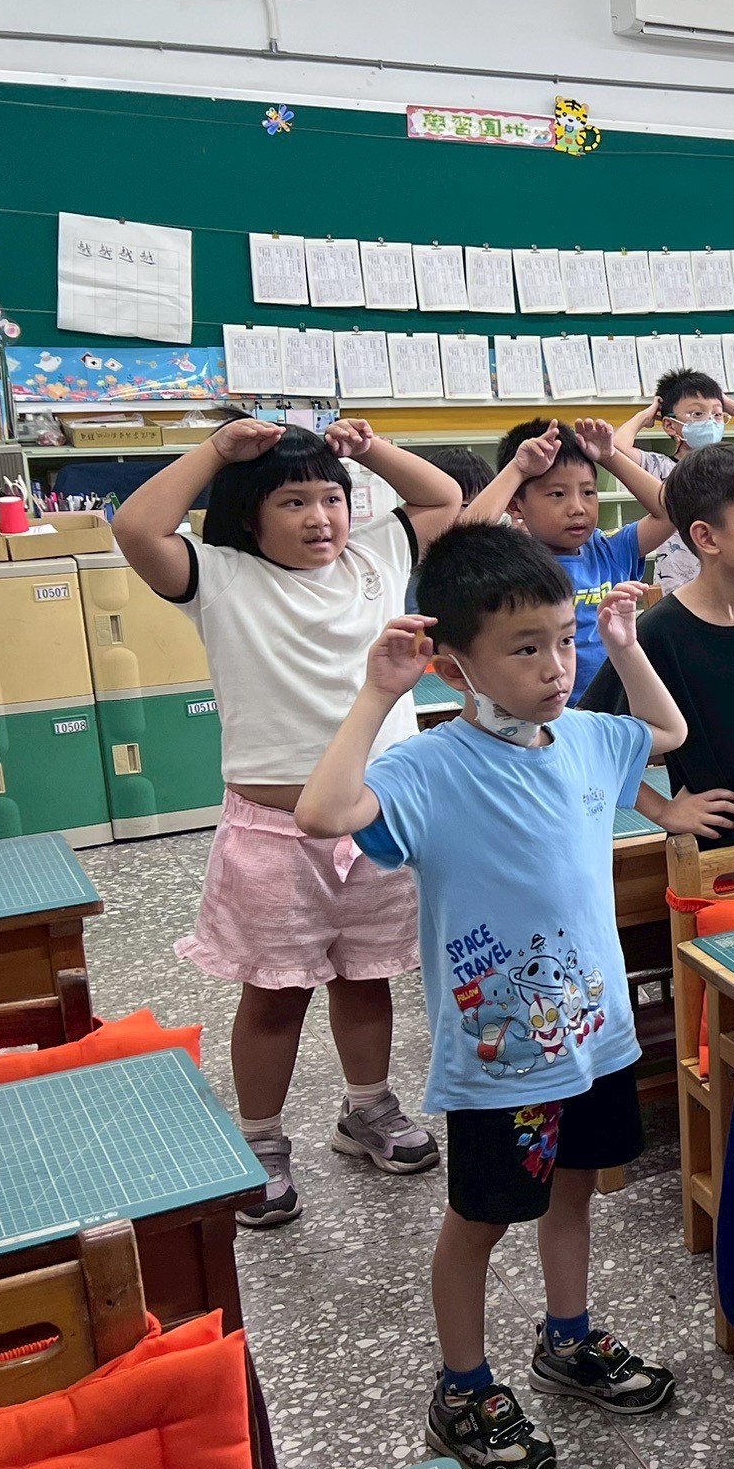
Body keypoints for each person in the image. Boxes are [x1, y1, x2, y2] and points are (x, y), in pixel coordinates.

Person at [294, 523, 689, 1469]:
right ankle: (463, 1386)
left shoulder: (586, 737)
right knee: (479, 1218)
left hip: (595, 1038)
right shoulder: (429, 769)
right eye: (524, 649)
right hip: (501, 1059)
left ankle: (569, 1336)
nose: (556, 666)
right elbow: (322, 813)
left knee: (576, 1189)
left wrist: (624, 648)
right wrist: (378, 693)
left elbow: (668, 733)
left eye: (562, 640)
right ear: (452, 667)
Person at [113, 415, 463, 1228]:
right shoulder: (219, 576)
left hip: (374, 822)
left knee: (366, 976)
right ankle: (261, 1141)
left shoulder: (375, 558)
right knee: (274, 997)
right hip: (273, 836)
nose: (320, 518)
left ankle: (367, 1108)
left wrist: (370, 449)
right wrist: (215, 450)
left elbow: (442, 497)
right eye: (293, 502)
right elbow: (135, 526)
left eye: (332, 498)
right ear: (248, 514)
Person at [580, 443, 734, 845]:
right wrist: (662, 810)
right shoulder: (658, 633)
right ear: (706, 536)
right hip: (717, 845)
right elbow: (587, 741)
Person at [463, 418, 674, 697]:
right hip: (547, 712)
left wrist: (610, 457)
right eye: (557, 494)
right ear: (515, 504)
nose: (577, 508)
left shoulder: (609, 550)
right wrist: (517, 469)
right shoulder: (511, 563)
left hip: (614, 708)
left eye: (588, 492)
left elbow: (670, 512)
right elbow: (461, 543)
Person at [610, 368, 734, 592]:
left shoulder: (732, 465)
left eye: (717, 415)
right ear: (670, 425)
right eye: (697, 414)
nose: (709, 421)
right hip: (675, 583)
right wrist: (645, 415)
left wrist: (727, 404)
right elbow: (617, 447)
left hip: (729, 579)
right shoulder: (659, 466)